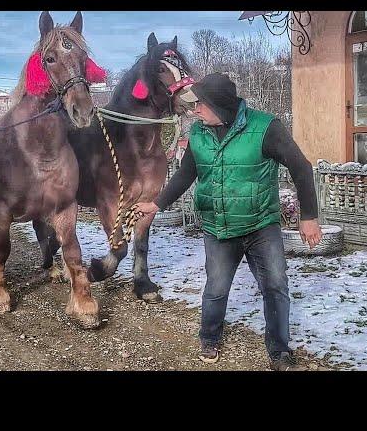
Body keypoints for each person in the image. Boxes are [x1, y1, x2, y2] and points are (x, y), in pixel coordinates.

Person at [135, 73, 322, 371]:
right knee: (216, 288)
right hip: (218, 227)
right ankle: (209, 337)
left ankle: (279, 350)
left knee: (275, 286)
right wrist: (157, 204)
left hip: (261, 225)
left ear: (219, 106)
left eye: (200, 105)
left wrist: (309, 217)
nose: (194, 110)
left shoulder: (265, 128)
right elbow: (186, 174)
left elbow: (301, 166)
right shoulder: (198, 133)